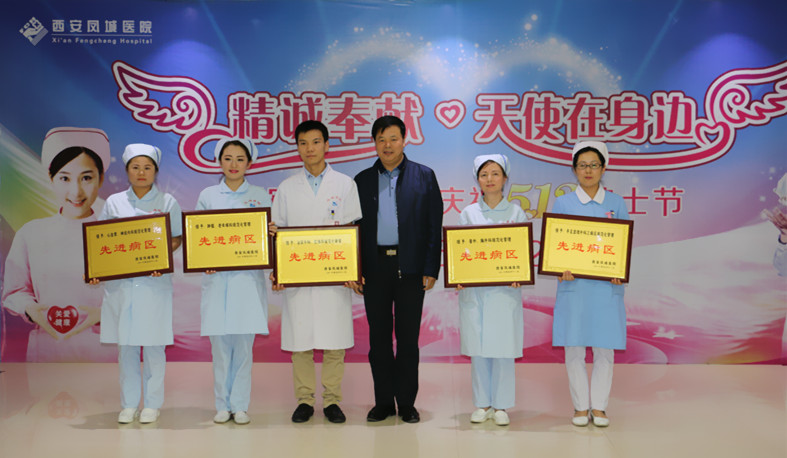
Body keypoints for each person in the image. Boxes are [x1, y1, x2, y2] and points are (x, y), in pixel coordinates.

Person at [352, 115, 443, 423]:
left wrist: (431, 267)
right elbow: (354, 229)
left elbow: (433, 224)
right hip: (375, 268)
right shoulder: (362, 180)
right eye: (381, 140)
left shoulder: (424, 176)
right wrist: (356, 268)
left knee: (407, 340)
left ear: (404, 140)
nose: (387, 145)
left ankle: (405, 403)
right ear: (374, 143)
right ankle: (382, 403)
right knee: (378, 341)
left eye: (393, 138)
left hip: (411, 268)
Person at [270, 120, 362, 424]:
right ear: (297, 147)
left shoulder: (345, 184)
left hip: (334, 276)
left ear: (327, 145)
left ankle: (332, 400)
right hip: (298, 277)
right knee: (301, 343)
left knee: (334, 342)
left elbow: (353, 231)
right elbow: (277, 234)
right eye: (303, 143)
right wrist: (278, 273)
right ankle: (305, 400)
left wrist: (353, 270)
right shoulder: (286, 188)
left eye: (315, 141)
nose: (309, 148)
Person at [2, 127, 116, 362]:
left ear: (101, 179)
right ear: (51, 179)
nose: (76, 191)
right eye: (65, 178)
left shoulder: (117, 234)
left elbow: (136, 293)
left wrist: (106, 313)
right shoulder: (31, 233)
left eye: (87, 178)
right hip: (47, 348)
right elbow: (15, 291)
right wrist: (31, 309)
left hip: (105, 349)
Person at [93, 144, 182, 424]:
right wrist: (98, 269)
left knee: (154, 347)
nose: (141, 172)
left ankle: (152, 404)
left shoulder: (167, 201)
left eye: (147, 167)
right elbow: (100, 241)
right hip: (122, 286)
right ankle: (129, 404)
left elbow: (176, 238)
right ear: (127, 170)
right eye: (135, 167)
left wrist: (160, 257)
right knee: (127, 347)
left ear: (156, 171)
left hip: (154, 284)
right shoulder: (114, 202)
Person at [550, 141, 629, 428]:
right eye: (582, 165)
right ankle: (581, 406)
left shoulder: (616, 203)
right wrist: (559, 269)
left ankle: (600, 407)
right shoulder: (564, 203)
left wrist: (620, 269)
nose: (588, 170)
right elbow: (556, 244)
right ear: (574, 170)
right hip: (574, 287)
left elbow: (623, 244)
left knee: (604, 347)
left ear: (603, 168)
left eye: (594, 165)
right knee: (574, 346)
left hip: (606, 287)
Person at [196, 139, 271, 425]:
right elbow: (197, 236)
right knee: (220, 350)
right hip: (217, 281)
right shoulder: (207, 195)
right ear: (219, 162)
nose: (234, 164)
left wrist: (270, 232)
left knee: (243, 349)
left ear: (249, 163)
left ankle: (239, 405)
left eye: (240, 159)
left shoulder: (260, 195)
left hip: (247, 283)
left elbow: (267, 239)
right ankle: (221, 405)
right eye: (228, 158)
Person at [456, 154, 527, 427]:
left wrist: (520, 275)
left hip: (504, 292)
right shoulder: (468, 213)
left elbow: (522, 252)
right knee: (478, 349)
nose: (490, 179)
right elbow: (459, 251)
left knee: (503, 349)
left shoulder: (516, 213)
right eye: (484, 174)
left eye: (495, 173)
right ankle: (482, 404)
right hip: (475, 293)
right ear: (477, 180)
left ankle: (501, 405)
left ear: (505, 178)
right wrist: (458, 275)